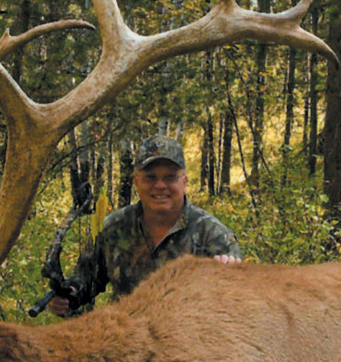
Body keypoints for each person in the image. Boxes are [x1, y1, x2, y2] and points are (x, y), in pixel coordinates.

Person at [48, 135, 242, 317]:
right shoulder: (114, 227)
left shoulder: (213, 235)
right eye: (150, 177)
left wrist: (230, 274)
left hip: (188, 343)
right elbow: (86, 277)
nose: (159, 185)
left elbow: (234, 306)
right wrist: (68, 295)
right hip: (125, 337)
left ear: (184, 182)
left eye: (170, 177)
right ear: (136, 181)